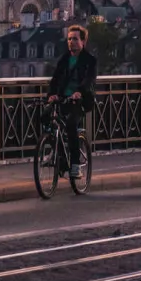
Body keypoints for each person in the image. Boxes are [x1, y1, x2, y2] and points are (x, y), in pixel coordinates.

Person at [46, 24, 97, 178]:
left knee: (70, 125)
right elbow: (55, 80)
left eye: (75, 39)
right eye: (69, 39)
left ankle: (75, 164)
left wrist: (79, 92)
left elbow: (89, 80)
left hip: (80, 101)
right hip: (63, 98)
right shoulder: (64, 59)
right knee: (44, 117)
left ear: (83, 41)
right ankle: (55, 152)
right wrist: (52, 94)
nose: (71, 42)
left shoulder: (90, 60)